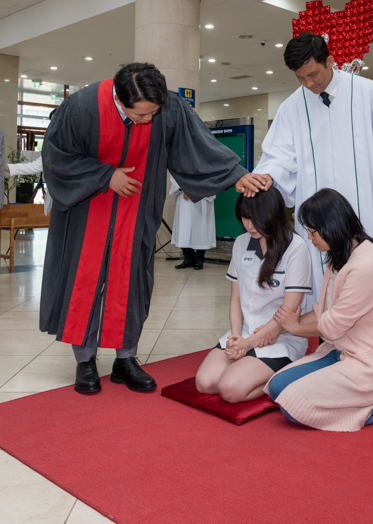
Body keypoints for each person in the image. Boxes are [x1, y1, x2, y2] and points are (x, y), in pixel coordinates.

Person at [40, 63, 248, 396]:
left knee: (133, 283)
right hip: (85, 212)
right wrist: (106, 176)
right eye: (140, 116)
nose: (147, 121)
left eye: (152, 114)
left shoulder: (168, 107)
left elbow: (196, 145)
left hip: (135, 214)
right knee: (84, 284)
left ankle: (126, 359)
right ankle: (85, 361)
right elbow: (56, 156)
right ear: (119, 99)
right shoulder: (81, 107)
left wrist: (236, 174)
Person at [235, 32, 373, 301]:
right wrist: (269, 174)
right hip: (316, 210)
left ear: (330, 61)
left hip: (363, 204)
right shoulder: (292, 106)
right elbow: (279, 154)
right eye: (300, 78)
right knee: (321, 276)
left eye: (313, 74)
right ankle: (326, 333)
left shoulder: (368, 93)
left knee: (365, 270)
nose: (309, 83)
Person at [263, 188, 373, 432]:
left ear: (331, 226)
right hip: (341, 350)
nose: (310, 238)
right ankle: (361, 397)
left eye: (313, 232)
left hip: (372, 361)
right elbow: (322, 310)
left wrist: (294, 327)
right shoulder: (340, 255)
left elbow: (331, 326)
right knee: (278, 386)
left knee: (293, 407)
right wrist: (283, 328)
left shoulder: (367, 264)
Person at [195, 187, 312, 403]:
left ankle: (285, 377)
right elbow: (236, 299)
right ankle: (250, 363)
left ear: (273, 215)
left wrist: (248, 345)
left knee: (230, 389)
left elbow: (289, 311)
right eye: (245, 218)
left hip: (279, 337)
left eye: (255, 219)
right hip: (246, 331)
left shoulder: (296, 248)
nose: (249, 225)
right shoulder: (241, 243)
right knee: (205, 383)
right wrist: (237, 337)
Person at [4, 109, 57, 214]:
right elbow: (37, 165)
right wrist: (8, 168)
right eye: (52, 122)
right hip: (57, 200)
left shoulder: (79, 140)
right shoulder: (52, 143)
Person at [169, 174, 216, 270]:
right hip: (184, 196)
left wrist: (193, 191)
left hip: (201, 195)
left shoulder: (206, 159)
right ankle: (188, 258)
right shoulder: (180, 159)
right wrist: (185, 189)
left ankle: (199, 259)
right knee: (183, 229)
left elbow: (210, 174)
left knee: (202, 229)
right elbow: (175, 174)